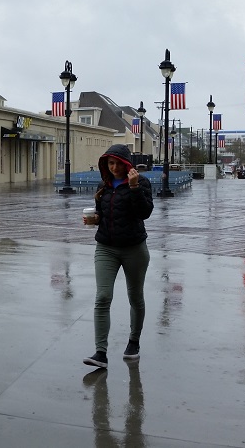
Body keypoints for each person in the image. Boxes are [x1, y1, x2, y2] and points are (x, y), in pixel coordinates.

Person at [82, 144, 154, 369]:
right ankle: (100, 353)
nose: (114, 168)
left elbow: (144, 213)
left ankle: (134, 342)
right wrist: (95, 220)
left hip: (134, 247)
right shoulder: (103, 185)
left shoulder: (141, 183)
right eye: (110, 164)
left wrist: (133, 188)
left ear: (127, 164)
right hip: (106, 247)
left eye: (117, 164)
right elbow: (102, 214)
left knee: (135, 296)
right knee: (103, 297)